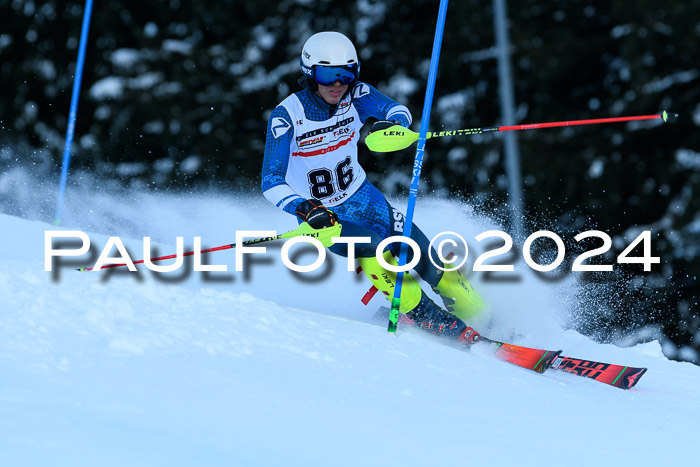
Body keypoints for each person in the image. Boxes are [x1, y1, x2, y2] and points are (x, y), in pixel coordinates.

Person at [261, 31, 486, 344]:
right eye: (328, 75)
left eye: (346, 74)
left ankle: (478, 313)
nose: (337, 84)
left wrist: (393, 125)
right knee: (372, 247)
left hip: (365, 198)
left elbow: (399, 111)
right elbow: (270, 180)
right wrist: (304, 208)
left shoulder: (358, 95)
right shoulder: (288, 116)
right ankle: (429, 317)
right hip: (324, 218)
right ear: (310, 74)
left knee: (416, 247)